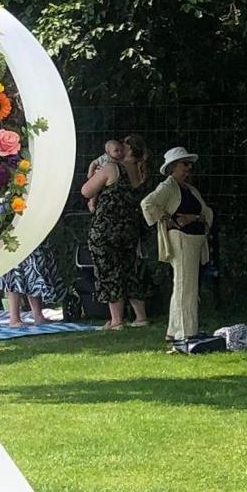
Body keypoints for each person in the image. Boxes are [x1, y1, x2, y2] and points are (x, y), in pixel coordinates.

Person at [141, 146, 214, 343]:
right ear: (173, 167)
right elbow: (147, 204)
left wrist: (194, 217)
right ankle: (186, 333)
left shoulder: (190, 189)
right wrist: (169, 219)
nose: (188, 168)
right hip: (181, 241)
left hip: (195, 241)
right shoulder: (168, 187)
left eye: (189, 164)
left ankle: (174, 331)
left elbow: (207, 213)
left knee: (184, 285)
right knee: (185, 287)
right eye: (184, 164)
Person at [80, 138, 154, 329]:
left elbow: (86, 191)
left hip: (106, 228)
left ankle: (116, 320)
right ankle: (140, 317)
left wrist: (93, 176)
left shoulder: (112, 168)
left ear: (127, 149)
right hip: (129, 229)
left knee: (108, 271)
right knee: (130, 271)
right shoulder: (140, 173)